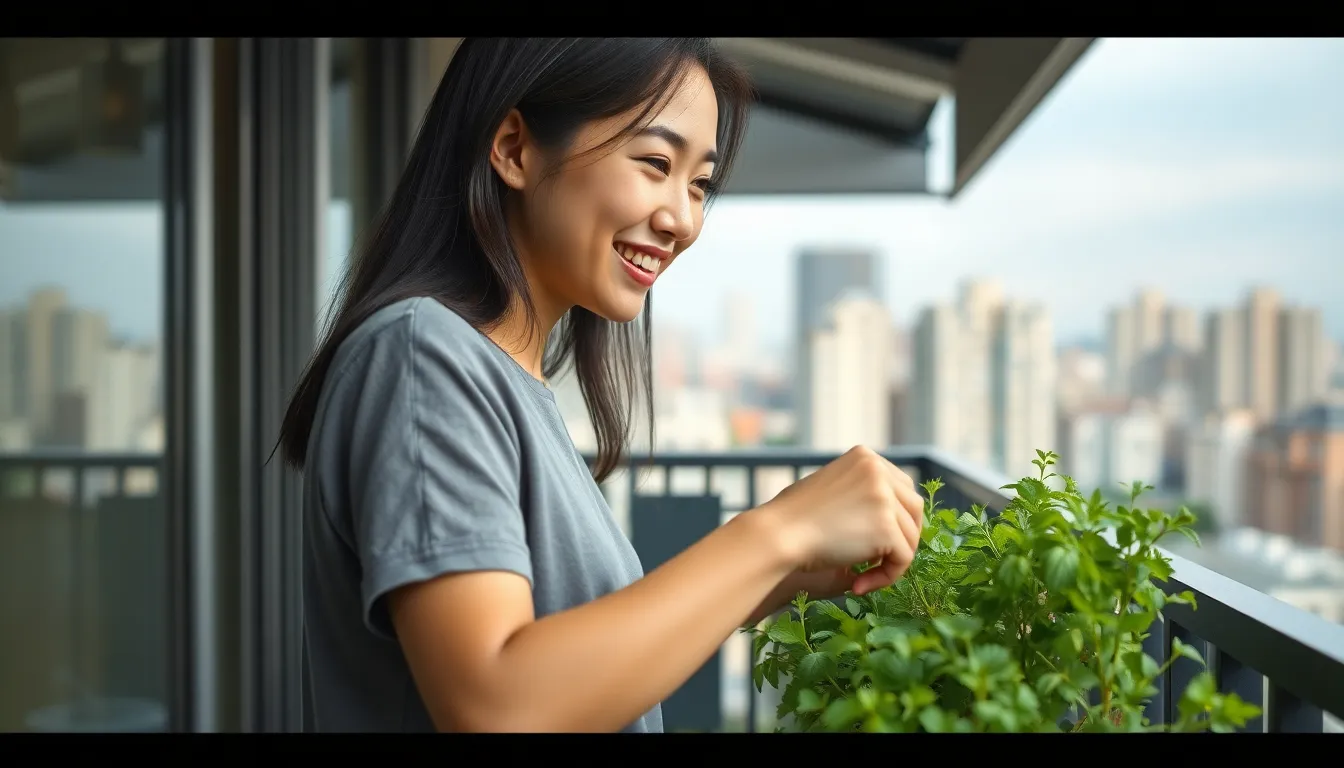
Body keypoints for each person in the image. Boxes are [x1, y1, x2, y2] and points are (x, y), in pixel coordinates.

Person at [279, 37, 926, 734]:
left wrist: (785, 573)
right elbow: (496, 702)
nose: (683, 219)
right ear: (514, 148)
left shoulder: (505, 380)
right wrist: (780, 531)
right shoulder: (420, 357)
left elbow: (578, 662)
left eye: (699, 183)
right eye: (655, 163)